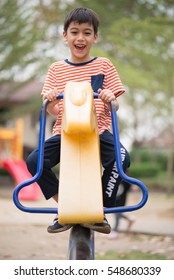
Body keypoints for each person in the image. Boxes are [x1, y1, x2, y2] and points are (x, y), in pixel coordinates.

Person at [26, 7, 130, 234]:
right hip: (65, 132)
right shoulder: (56, 69)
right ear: (65, 36)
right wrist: (52, 100)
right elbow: (52, 109)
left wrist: (111, 97)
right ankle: (64, 205)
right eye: (74, 32)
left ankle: (100, 208)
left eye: (86, 32)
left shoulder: (104, 65)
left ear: (95, 37)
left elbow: (116, 105)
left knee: (122, 158)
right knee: (35, 161)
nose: (80, 38)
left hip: (98, 130)